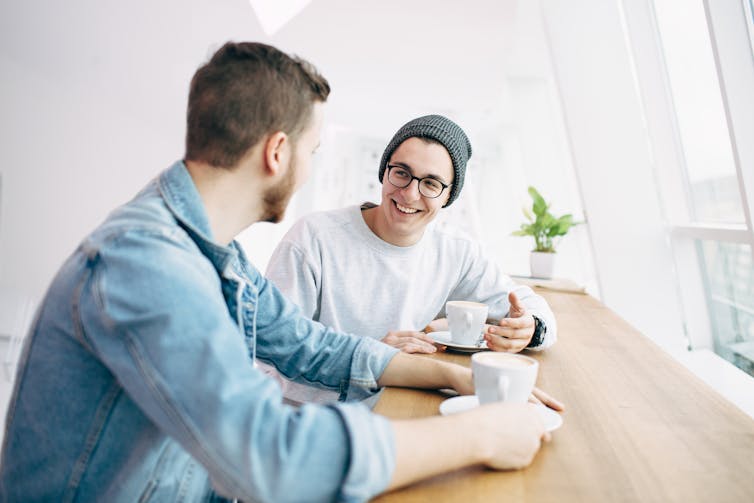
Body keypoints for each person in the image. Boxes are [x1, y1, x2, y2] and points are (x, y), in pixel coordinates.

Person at [0, 42, 557, 503]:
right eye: (313, 150)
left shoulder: (209, 250)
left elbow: (307, 344)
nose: (312, 168)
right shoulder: (146, 266)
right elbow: (270, 456)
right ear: (278, 151)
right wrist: (477, 434)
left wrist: (456, 377)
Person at [265, 115, 558, 403]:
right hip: (311, 421)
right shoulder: (313, 238)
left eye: (431, 183)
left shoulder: (457, 252)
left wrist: (531, 328)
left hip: (400, 407)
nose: (409, 194)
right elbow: (271, 352)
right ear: (384, 171)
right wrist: (373, 360)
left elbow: (532, 309)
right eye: (401, 173)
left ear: (448, 196)